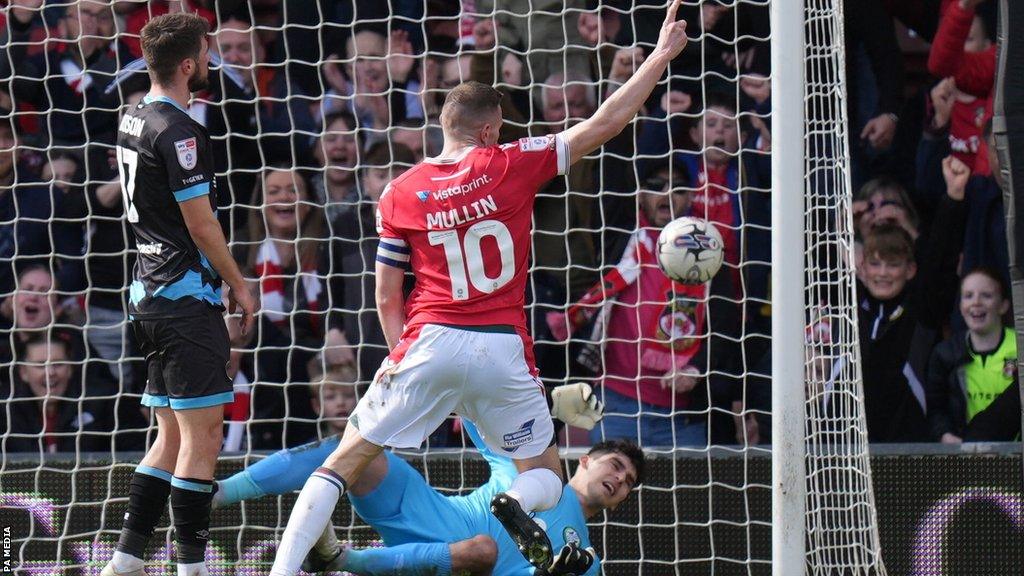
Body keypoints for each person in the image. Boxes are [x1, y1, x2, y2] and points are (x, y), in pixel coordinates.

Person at [270, 4, 689, 574]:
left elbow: (387, 293)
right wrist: (661, 56)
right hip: (502, 345)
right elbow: (605, 122)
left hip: (431, 339)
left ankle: (283, 569)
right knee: (546, 472)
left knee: (341, 463)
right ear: (491, 130)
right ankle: (515, 504)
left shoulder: (400, 190)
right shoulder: (514, 160)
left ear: (444, 126)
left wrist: (398, 353)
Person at [100, 13, 257, 576]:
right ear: (189, 63)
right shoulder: (180, 130)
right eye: (208, 53)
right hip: (183, 297)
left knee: (169, 435)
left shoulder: (133, 117)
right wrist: (238, 283)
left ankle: (125, 560)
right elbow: (201, 224)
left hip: (148, 292)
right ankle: (190, 567)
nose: (213, 61)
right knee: (204, 435)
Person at [212, 384, 609, 576]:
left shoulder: (587, 558)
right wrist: (548, 405)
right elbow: (479, 407)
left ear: (622, 499)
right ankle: (219, 492)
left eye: (628, 480)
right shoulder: (530, 468)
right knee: (356, 453)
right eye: (616, 465)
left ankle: (344, 560)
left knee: (484, 549)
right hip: (429, 516)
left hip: (471, 567)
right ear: (587, 460)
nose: (620, 477)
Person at [545, 158, 740, 447]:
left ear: (690, 197)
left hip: (685, 415)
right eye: (656, 186)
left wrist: (695, 368)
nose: (668, 194)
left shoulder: (710, 252)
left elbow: (725, 328)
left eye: (678, 188)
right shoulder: (620, 240)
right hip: (616, 405)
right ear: (639, 194)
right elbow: (621, 157)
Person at [926, 267, 1017, 443]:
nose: (976, 302)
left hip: (1016, 455)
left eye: (986, 295)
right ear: (960, 306)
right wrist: (945, 435)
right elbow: (936, 408)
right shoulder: (945, 353)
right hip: (965, 456)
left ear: (1004, 305)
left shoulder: (1019, 346)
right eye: (968, 296)